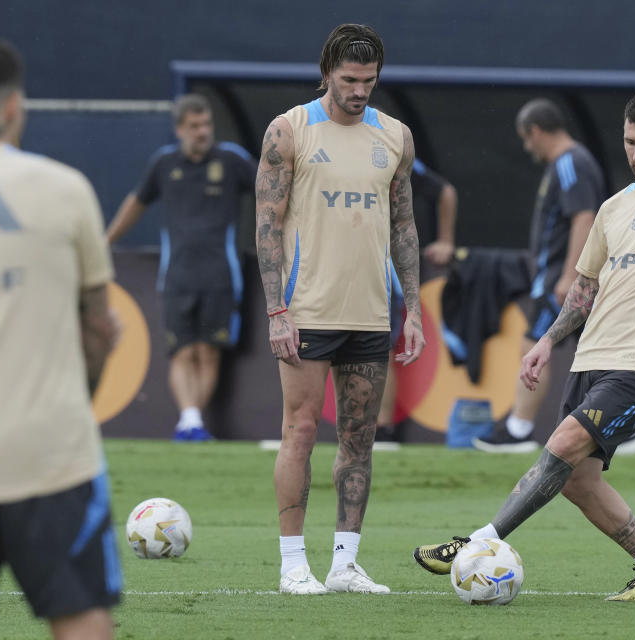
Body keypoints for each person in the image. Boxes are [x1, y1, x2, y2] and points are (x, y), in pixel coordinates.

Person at [414, 90, 635, 602]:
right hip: (589, 359)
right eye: (629, 142)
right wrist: (547, 342)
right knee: (575, 480)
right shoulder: (615, 207)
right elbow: (584, 287)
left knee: (560, 447)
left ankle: (479, 541)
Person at [255, 24, 425, 595]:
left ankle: (345, 565)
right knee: (299, 431)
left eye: (369, 81)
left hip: (371, 314)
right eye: (350, 80)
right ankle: (292, 565)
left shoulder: (396, 137)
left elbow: (404, 226)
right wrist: (277, 309)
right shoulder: (290, 130)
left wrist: (415, 312)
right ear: (327, 71)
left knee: (359, 441)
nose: (359, 91)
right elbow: (267, 225)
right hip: (306, 312)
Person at [0, 37, 122, 639]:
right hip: (49, 452)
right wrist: (74, 404)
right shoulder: (67, 189)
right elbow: (99, 327)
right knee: (84, 619)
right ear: (15, 105)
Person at [106, 93, 256, 441]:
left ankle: (193, 422)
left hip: (221, 275)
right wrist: (105, 241)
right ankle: (190, 420)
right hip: (177, 275)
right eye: (194, 126)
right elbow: (137, 201)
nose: (202, 132)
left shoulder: (231, 159)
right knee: (182, 350)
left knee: (208, 352)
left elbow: (271, 189)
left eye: (206, 124)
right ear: (179, 130)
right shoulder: (164, 163)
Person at [474, 97, 606, 453]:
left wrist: (571, 276)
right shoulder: (570, 163)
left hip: (558, 279)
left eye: (525, 138)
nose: (527, 146)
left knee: (533, 344)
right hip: (554, 276)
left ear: (534, 131)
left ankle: (518, 429)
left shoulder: (570, 164)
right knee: (592, 351)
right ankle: (618, 425)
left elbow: (584, 217)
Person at [375, 161, 458, 445]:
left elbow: (444, 191)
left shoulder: (394, 152)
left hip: (382, 267)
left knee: (379, 348)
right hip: (340, 266)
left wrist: (446, 240)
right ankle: (358, 427)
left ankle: (383, 430)